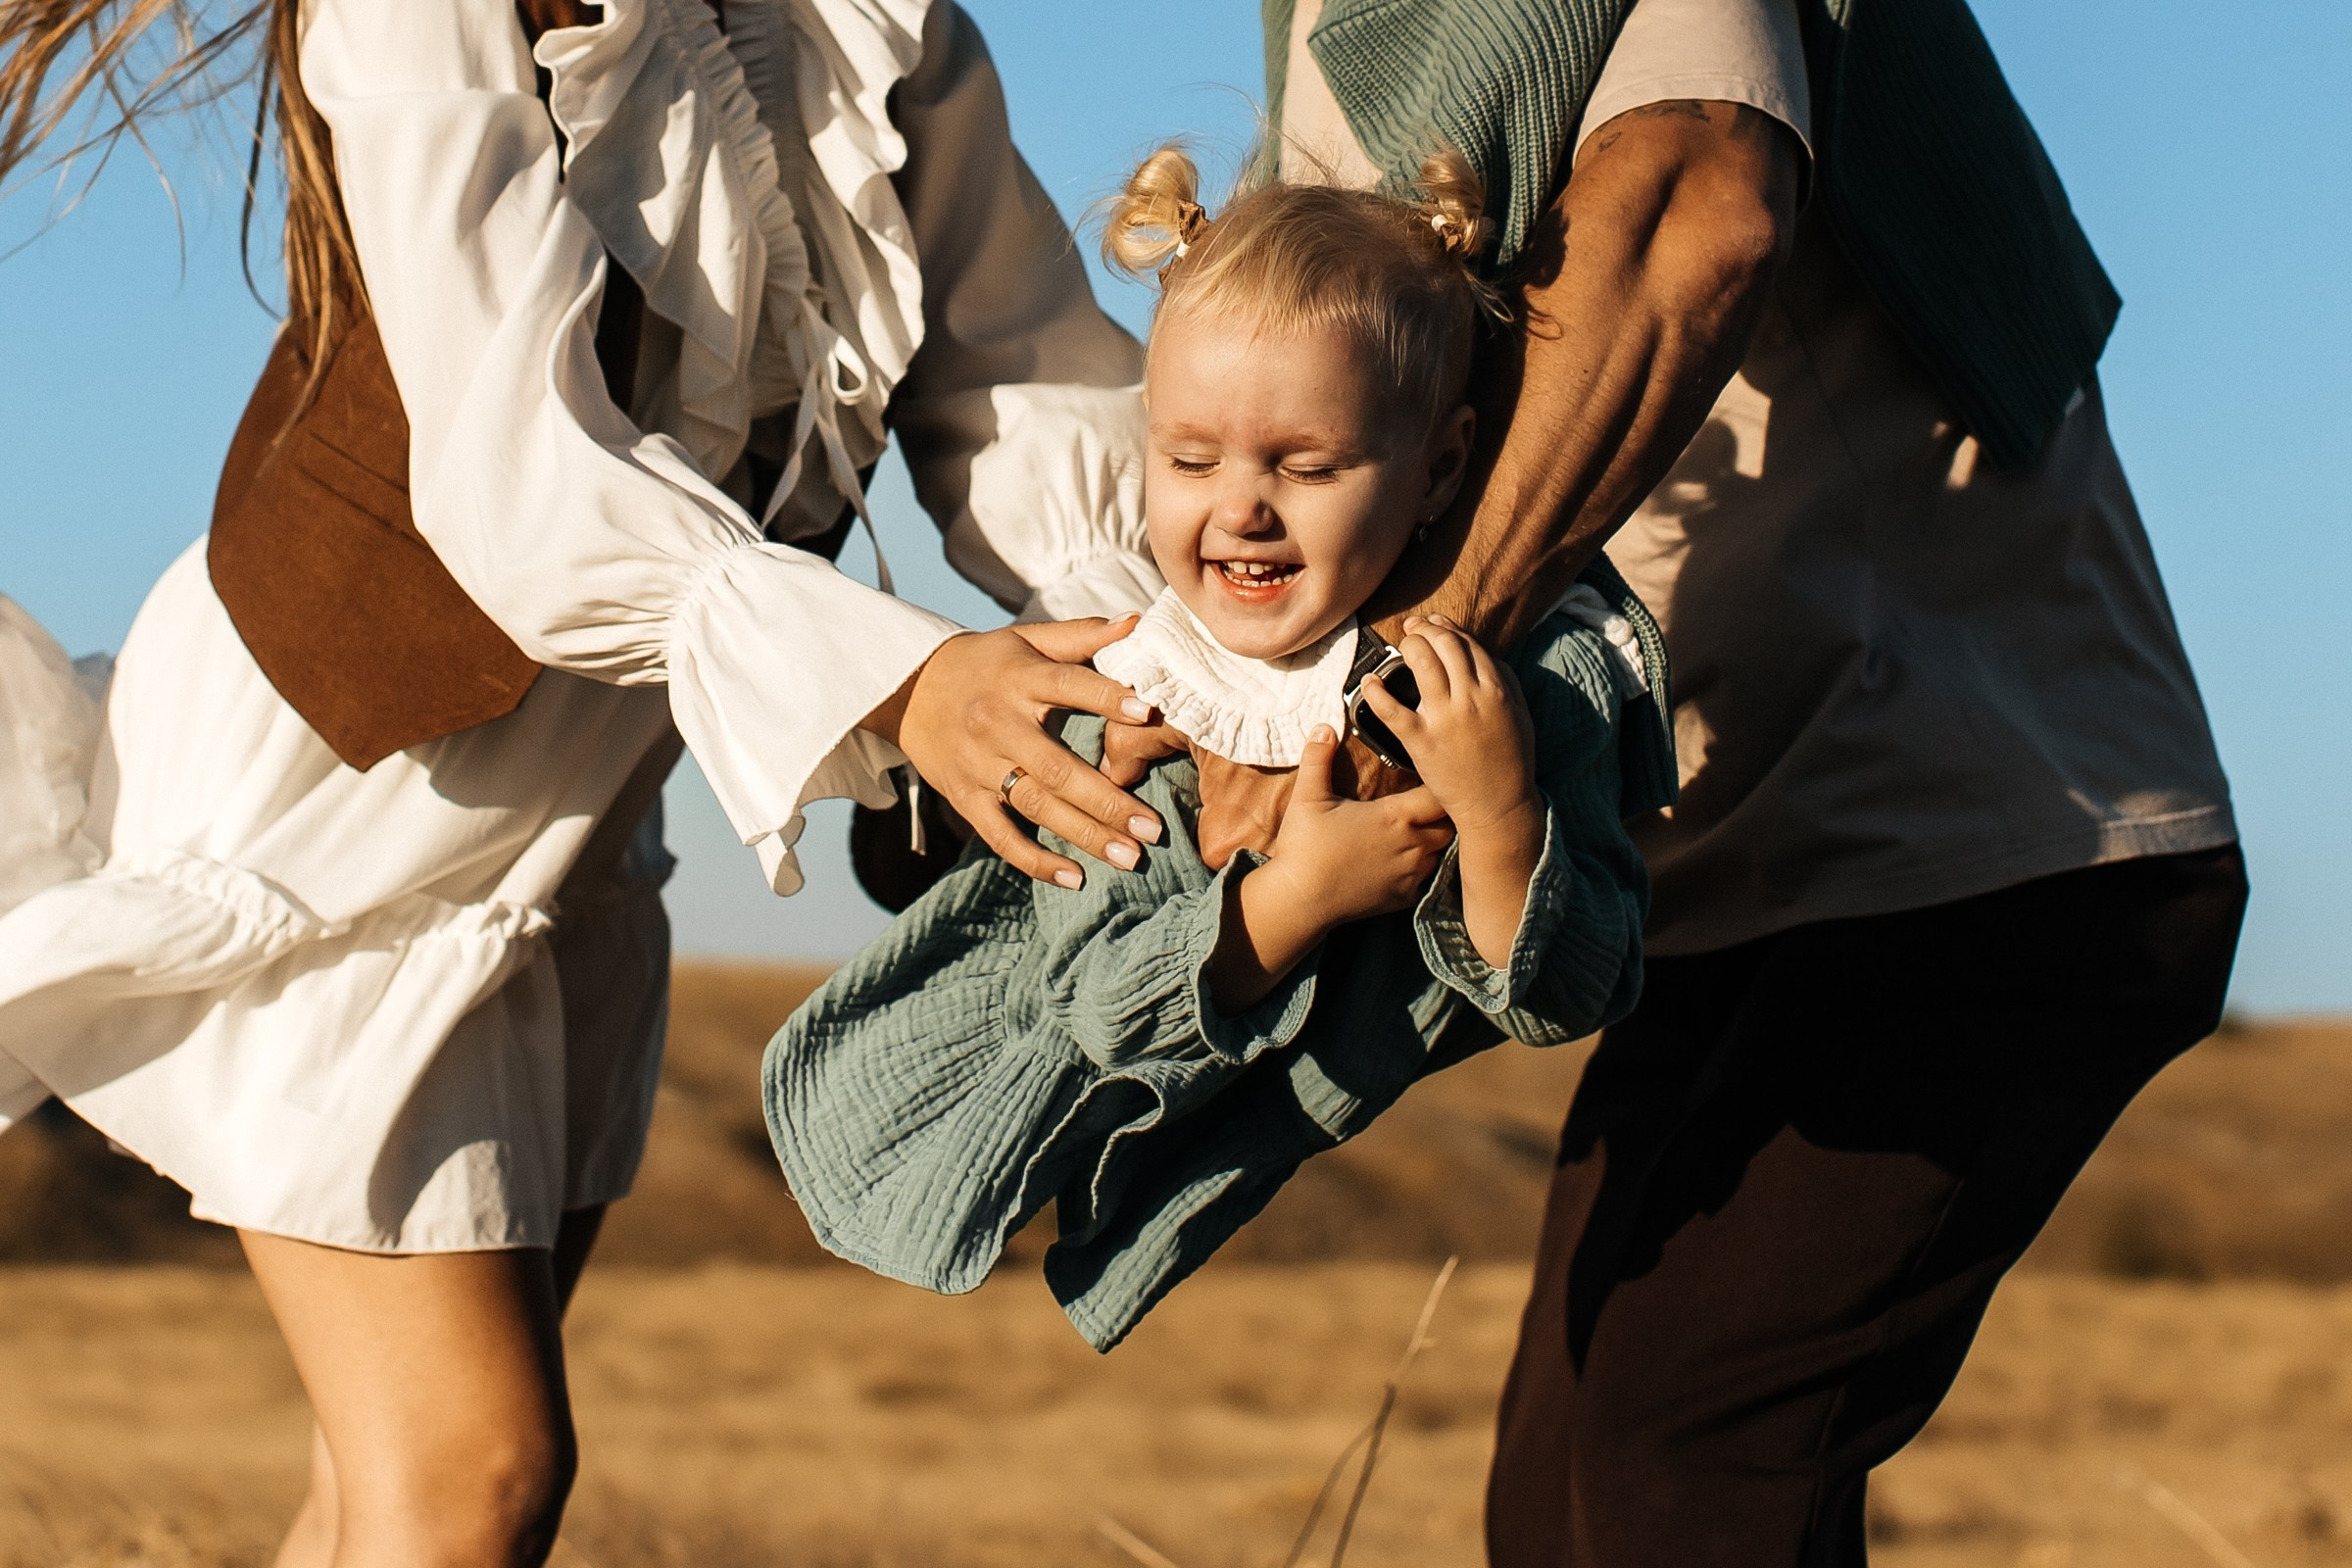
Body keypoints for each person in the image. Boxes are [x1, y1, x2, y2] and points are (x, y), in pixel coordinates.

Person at [0, 0, 1177, 1559]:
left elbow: (1015, 374)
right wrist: (906, 679)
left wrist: (1154, 649)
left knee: (383, 1494)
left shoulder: (882, 23)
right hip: (334, 803)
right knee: (473, 1475)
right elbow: (521, 475)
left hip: (568, 840)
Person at [1153, 0, 2246, 1560]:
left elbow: (1699, 203)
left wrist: (1390, 677)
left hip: (1981, 826)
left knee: (1688, 1464)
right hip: (1728, 876)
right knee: (1564, 1497)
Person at [763, 148, 1675, 1350]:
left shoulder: (1520, 684)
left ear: (1442, 465)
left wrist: (1504, 821)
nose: (1240, 506)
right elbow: (1107, 1010)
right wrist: (1296, 898)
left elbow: (1574, 996)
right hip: (1160, 1124)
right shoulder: (1148, 697)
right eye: (1190, 460)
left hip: (1371, 1265)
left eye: (1304, 466)